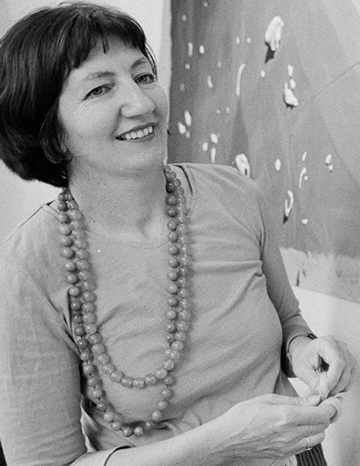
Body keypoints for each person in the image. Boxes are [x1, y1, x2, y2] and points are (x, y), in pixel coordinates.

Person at [0, 3, 356, 466]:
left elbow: (289, 322)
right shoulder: (30, 264)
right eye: (101, 88)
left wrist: (306, 349)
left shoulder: (236, 194)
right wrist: (222, 443)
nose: (143, 103)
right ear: (52, 136)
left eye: (143, 76)